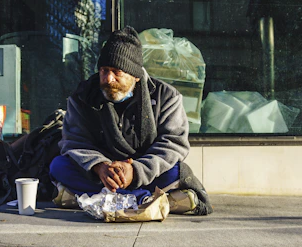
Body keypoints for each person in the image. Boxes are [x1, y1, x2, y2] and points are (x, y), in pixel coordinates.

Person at [49, 26, 213, 215]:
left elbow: (173, 143)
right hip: (100, 175)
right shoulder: (84, 95)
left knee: (176, 171)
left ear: (135, 75)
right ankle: (143, 198)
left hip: (144, 172)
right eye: (104, 70)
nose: (108, 79)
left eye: (116, 71)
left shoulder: (166, 96)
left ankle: (94, 197)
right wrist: (99, 166)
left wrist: (135, 170)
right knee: (59, 166)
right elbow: (74, 140)